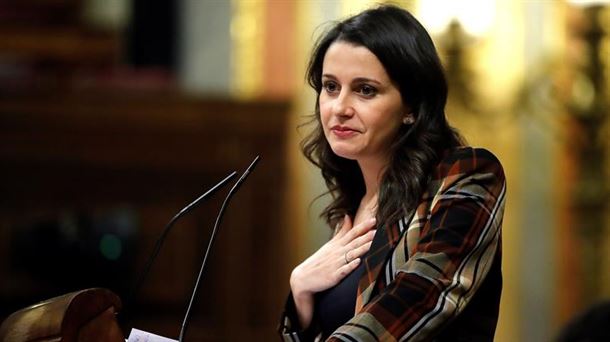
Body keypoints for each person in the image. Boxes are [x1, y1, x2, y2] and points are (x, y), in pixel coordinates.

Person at [278, 4, 506, 342]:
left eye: (365, 90)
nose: (339, 107)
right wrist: (300, 293)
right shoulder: (352, 208)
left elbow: (421, 301)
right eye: (330, 86)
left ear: (411, 108)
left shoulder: (467, 176)